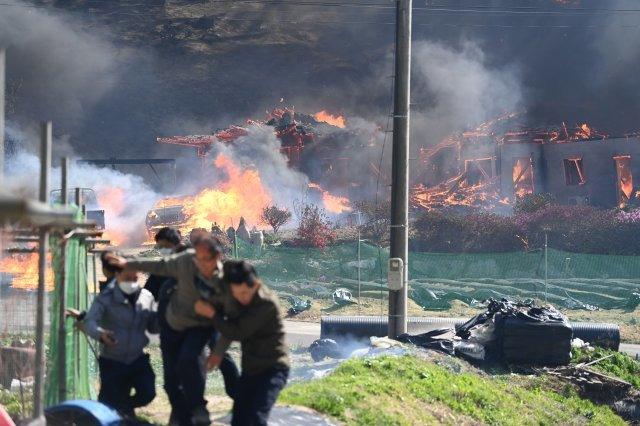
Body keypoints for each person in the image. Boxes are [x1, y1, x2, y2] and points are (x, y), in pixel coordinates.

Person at [106, 236, 239, 426]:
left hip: (199, 327)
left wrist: (218, 352)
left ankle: (199, 407)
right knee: (170, 383)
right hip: (172, 326)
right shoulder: (186, 261)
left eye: (204, 259)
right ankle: (183, 419)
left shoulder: (223, 283)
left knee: (188, 361)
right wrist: (128, 263)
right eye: (196, 258)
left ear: (217, 257)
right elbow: (159, 266)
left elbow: (229, 325)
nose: (198, 263)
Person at [194, 260, 289, 426]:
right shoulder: (238, 298)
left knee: (256, 418)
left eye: (245, 293)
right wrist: (218, 352)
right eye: (236, 293)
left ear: (256, 284)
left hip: (272, 369)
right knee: (239, 419)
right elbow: (231, 323)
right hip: (250, 370)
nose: (241, 298)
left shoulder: (266, 303)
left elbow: (237, 331)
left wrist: (212, 315)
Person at [83, 264, 158, 419]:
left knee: (147, 392)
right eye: (127, 278)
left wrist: (165, 316)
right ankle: (113, 416)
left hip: (137, 358)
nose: (131, 282)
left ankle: (124, 409)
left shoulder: (146, 297)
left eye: (135, 278)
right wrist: (100, 334)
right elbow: (90, 322)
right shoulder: (105, 298)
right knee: (108, 400)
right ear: (118, 276)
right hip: (112, 360)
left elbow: (154, 326)